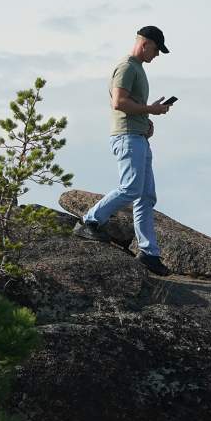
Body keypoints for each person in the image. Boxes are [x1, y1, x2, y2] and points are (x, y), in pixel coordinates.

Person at [73, 26, 173, 277]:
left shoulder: (138, 68)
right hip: (127, 138)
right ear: (146, 43)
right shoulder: (128, 66)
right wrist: (149, 109)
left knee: (146, 196)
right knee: (130, 188)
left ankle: (149, 254)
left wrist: (147, 120)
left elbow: (130, 105)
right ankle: (90, 221)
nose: (157, 55)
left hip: (137, 136)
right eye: (157, 49)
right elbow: (118, 102)